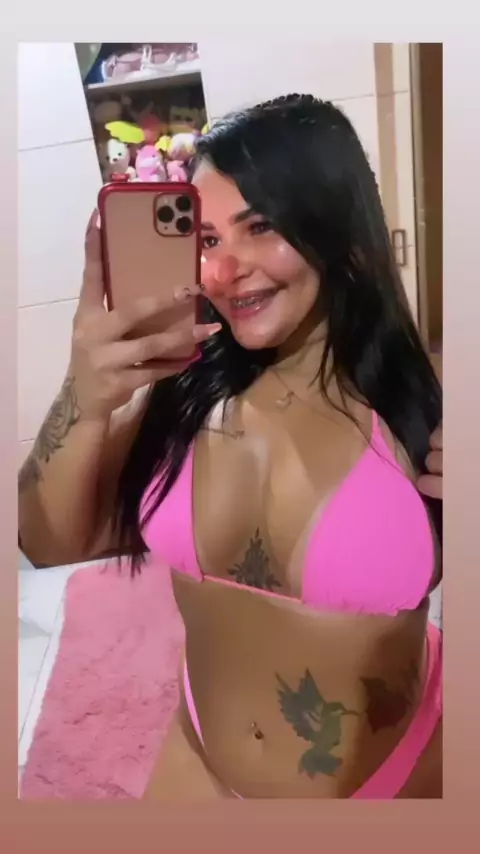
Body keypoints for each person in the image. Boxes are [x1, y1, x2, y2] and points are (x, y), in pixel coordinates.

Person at [19, 94, 443, 799]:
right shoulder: (184, 391)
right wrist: (83, 396)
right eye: (208, 239)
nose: (222, 272)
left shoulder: (426, 408)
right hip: (196, 758)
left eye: (261, 226)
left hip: (387, 781)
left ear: (338, 227)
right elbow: (47, 543)